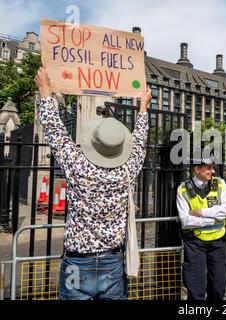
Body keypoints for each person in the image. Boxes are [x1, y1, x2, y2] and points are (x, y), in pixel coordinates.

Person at [34, 67, 152, 300]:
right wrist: (143, 108)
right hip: (112, 262)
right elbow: (140, 142)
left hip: (77, 262)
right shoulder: (128, 170)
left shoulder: (79, 166)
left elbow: (56, 133)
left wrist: (45, 92)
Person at [176, 149, 226, 300]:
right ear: (197, 169)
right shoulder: (183, 189)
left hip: (218, 243)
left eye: (213, 167)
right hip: (195, 244)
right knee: (195, 289)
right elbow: (186, 220)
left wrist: (201, 212)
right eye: (209, 168)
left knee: (218, 288)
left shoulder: (220, 184)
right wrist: (214, 218)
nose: (212, 171)